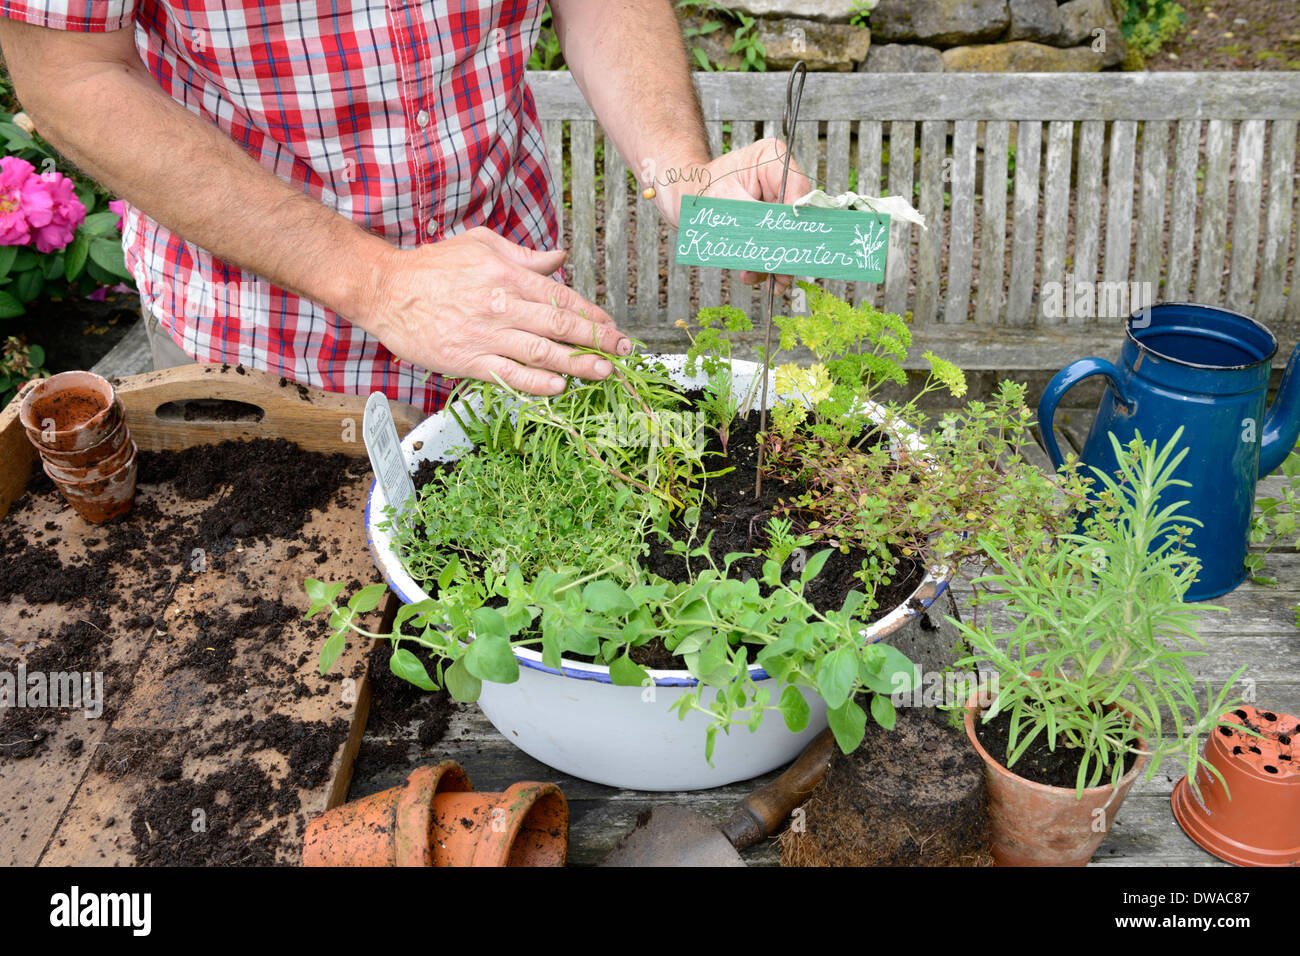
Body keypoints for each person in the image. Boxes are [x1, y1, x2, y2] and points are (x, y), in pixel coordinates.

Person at [0, 1, 809, 411]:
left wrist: (682, 170)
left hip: (506, 296)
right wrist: (378, 281)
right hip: (261, 339)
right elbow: (68, 73)